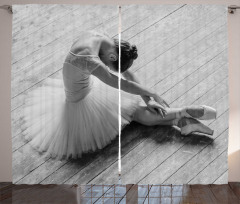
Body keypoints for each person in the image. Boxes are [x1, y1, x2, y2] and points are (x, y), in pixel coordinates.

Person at [21, 30, 216, 159]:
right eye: (109, 65)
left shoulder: (98, 38)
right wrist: (152, 92)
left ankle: (181, 118)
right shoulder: (91, 61)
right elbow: (120, 83)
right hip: (83, 101)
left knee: (138, 114)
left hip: (88, 91)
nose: (108, 66)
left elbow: (126, 74)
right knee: (136, 114)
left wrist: (147, 99)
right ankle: (180, 116)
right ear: (112, 56)